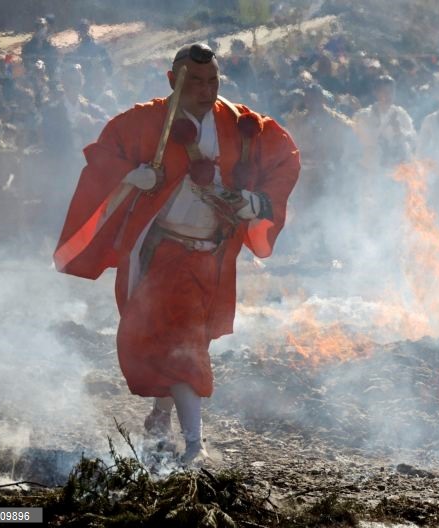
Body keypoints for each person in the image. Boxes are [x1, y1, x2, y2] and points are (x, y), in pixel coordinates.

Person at [53, 42, 300, 463]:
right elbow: (102, 157)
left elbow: (285, 159)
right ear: (173, 80)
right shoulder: (146, 121)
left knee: (186, 342)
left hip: (214, 257)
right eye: (196, 81)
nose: (206, 90)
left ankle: (159, 418)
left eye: (213, 81)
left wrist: (256, 202)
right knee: (183, 345)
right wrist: (132, 176)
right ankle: (195, 446)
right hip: (166, 253)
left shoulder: (242, 124)